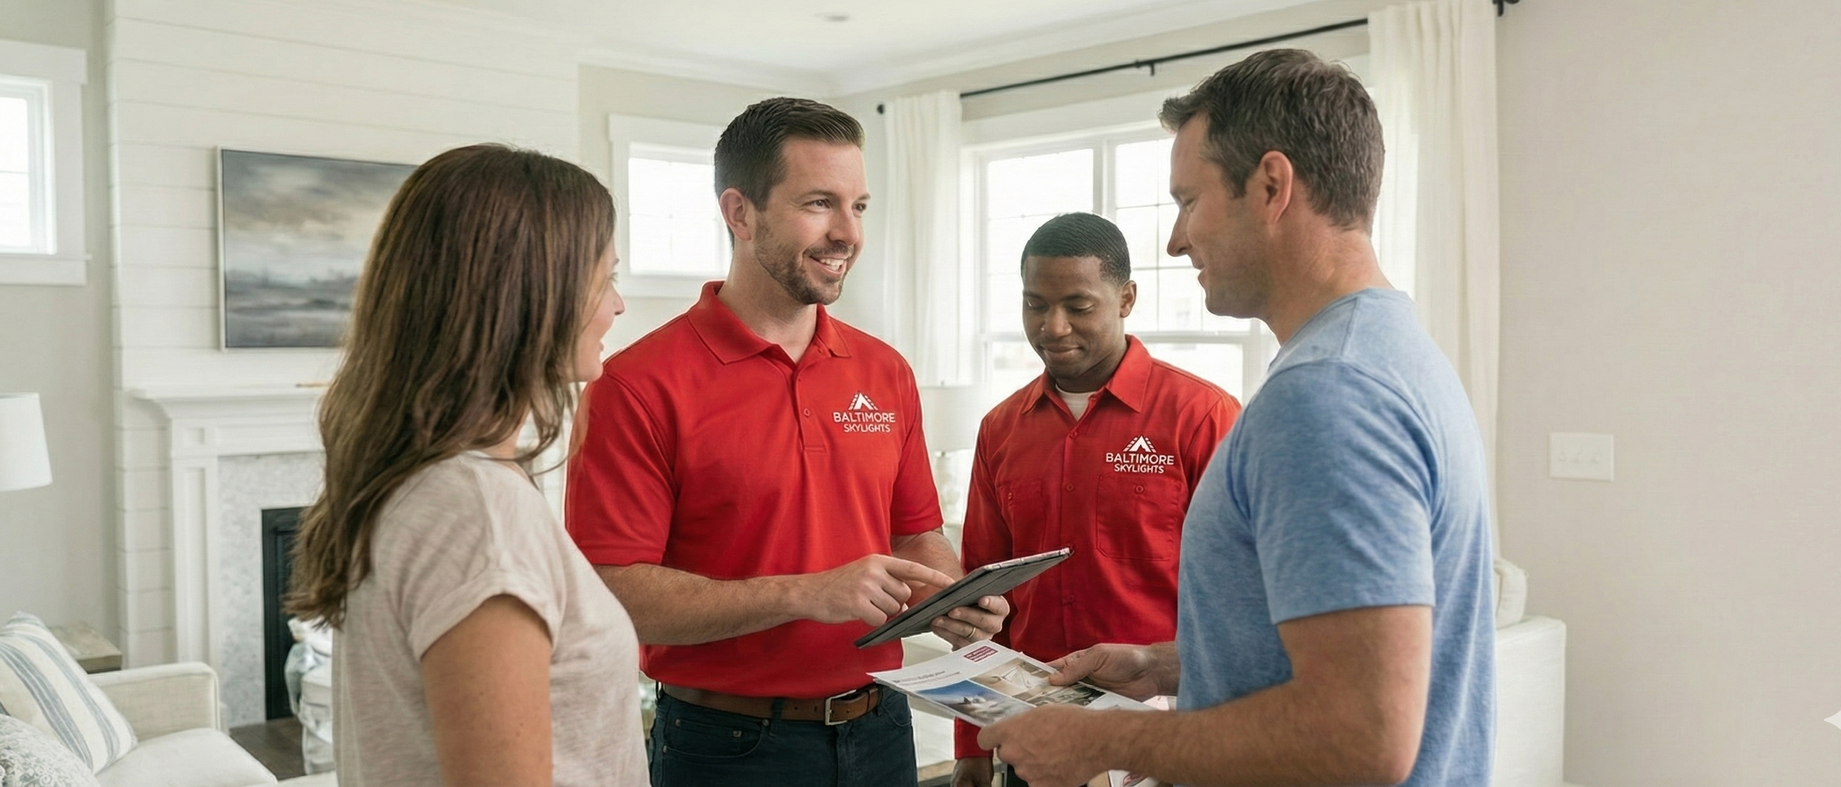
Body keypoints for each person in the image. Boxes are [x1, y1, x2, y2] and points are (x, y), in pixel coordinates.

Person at [979, 48, 1496, 787]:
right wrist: (1160, 663)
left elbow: (1362, 735)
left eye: (1189, 200)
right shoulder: (1388, 350)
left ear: (1271, 186)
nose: (1176, 238)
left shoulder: (1327, 395)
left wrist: (1108, 742)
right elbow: (1335, 647)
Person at [565, 96, 1010, 787]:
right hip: (727, 746)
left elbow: (916, 532)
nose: (847, 233)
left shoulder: (885, 371)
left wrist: (950, 595)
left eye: (859, 206)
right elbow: (613, 591)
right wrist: (806, 593)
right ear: (740, 213)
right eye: (818, 203)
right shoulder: (636, 385)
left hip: (882, 727)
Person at [285, 144, 646, 787]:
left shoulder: (421, 481)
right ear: (531, 292)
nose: (618, 306)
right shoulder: (476, 510)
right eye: (605, 277)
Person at [949, 213, 1240, 787]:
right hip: (1033, 738)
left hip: (1165, 739)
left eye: (1078, 306)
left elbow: (1241, 600)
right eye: (1035, 305)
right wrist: (972, 749)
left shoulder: (1203, 417)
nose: (1052, 328)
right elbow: (981, 601)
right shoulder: (1000, 429)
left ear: (1126, 297)